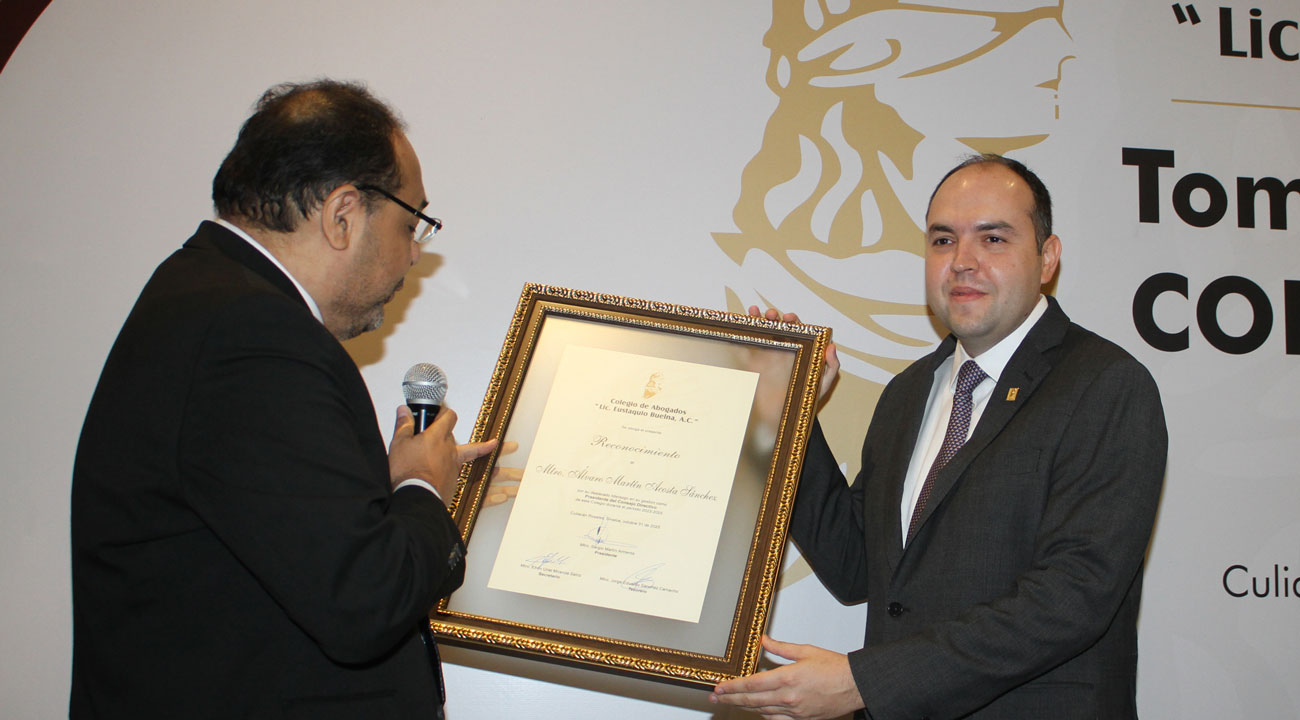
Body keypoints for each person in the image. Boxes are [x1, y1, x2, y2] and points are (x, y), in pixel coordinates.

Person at [69, 80, 495, 719]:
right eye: (412, 224)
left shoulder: (206, 299)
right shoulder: (254, 333)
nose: (413, 253)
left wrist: (386, 496)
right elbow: (363, 601)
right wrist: (422, 488)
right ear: (343, 214)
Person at [711, 155, 1168, 719]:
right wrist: (788, 414)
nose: (962, 262)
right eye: (943, 240)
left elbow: (1073, 596)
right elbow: (856, 564)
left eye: (993, 239)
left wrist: (865, 683)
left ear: (1047, 258)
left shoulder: (1105, 385)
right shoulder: (910, 393)